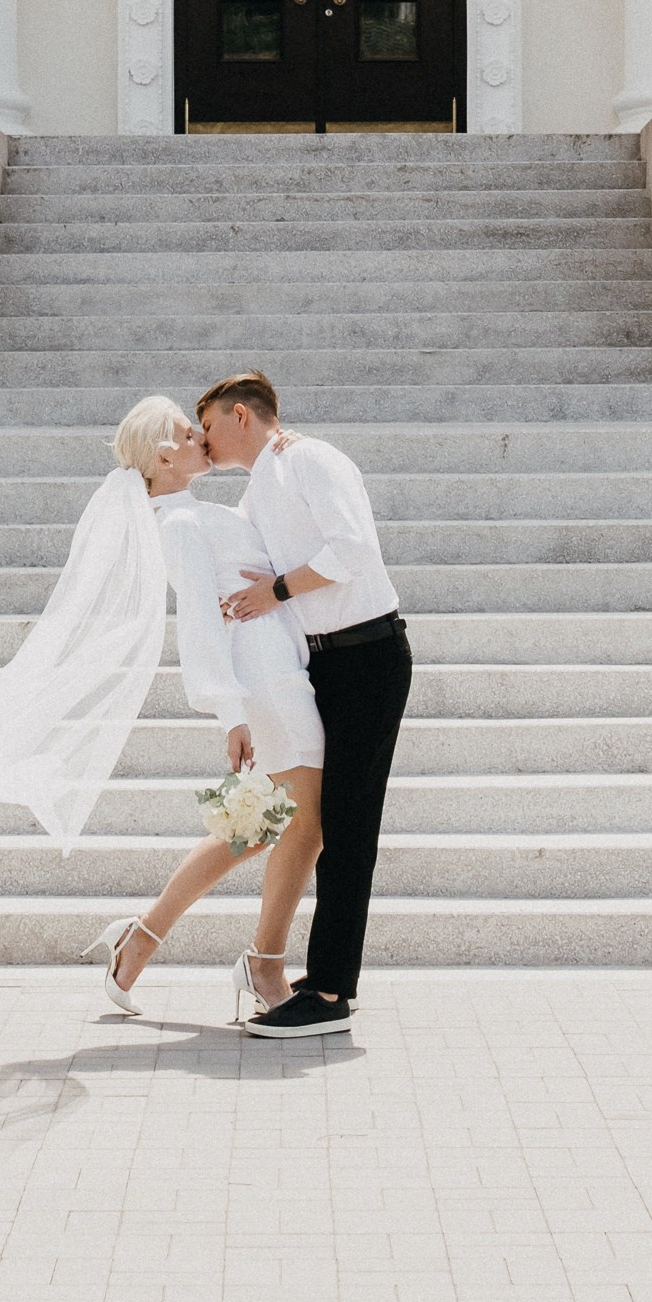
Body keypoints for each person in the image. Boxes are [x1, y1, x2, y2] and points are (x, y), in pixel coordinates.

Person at [0, 394, 322, 1027]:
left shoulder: (194, 513)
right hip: (264, 684)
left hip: (283, 670)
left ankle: (148, 938)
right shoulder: (177, 526)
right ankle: (260, 962)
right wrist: (229, 710)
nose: (201, 437)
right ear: (163, 454)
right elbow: (201, 626)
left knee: (265, 823)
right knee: (299, 821)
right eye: (187, 431)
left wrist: (279, 446)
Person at [198, 370, 410, 1043]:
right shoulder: (262, 483)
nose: (203, 442)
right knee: (313, 820)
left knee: (347, 830)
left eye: (206, 427)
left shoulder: (307, 458)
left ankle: (326, 991)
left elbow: (350, 551)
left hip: (367, 656)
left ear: (239, 416)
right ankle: (289, 974)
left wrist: (277, 591)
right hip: (321, 662)